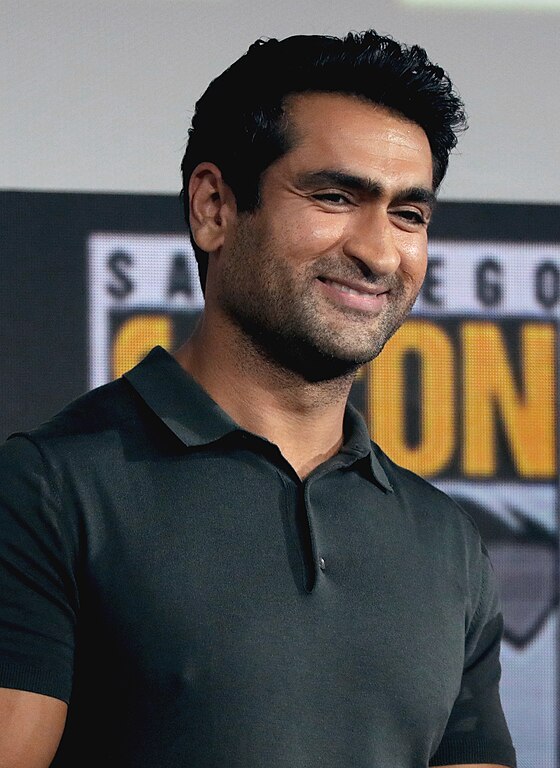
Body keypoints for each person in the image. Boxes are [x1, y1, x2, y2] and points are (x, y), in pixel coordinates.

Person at [0, 30, 516, 768]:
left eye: (409, 214)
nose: (378, 251)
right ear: (214, 206)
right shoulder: (47, 493)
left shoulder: (446, 544)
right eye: (336, 197)